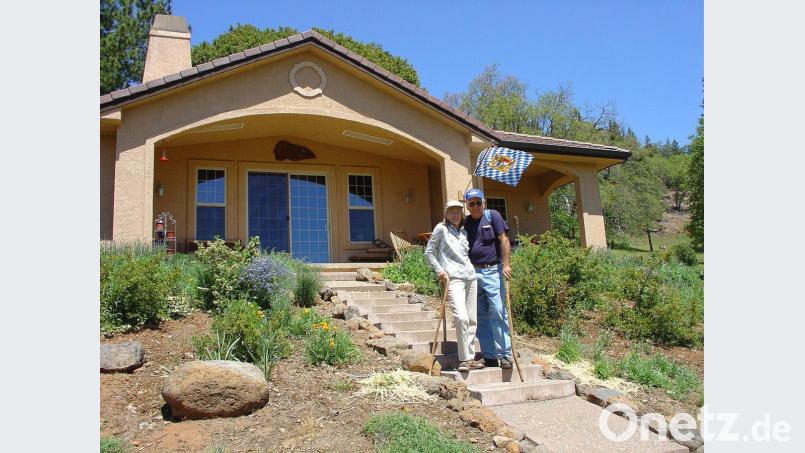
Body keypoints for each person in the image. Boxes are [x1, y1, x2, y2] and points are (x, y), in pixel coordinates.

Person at [424, 200, 485, 372]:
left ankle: (470, 358)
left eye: (458, 211)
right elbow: (429, 253)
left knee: (471, 319)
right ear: (446, 214)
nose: (455, 214)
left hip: (470, 276)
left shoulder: (464, 231)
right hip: (453, 278)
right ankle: (464, 359)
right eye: (451, 211)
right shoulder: (441, 229)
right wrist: (439, 270)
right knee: (461, 317)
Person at [463, 188, 513, 369]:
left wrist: (506, 264)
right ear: (467, 205)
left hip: (492, 270)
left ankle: (505, 354)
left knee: (498, 311)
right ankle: (489, 355)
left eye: (478, 202)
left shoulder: (492, 216)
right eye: (472, 203)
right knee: (480, 314)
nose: (475, 206)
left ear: (483, 203)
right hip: (472, 272)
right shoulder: (465, 222)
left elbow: (504, 240)